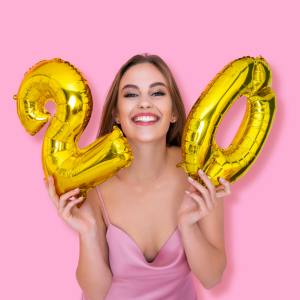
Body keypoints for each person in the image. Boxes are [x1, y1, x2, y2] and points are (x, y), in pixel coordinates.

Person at [44, 53, 231, 300]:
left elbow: (212, 277)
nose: (144, 103)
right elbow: (95, 292)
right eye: (131, 94)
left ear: (173, 112)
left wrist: (188, 226)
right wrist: (87, 232)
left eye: (157, 93)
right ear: (117, 115)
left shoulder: (199, 173)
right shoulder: (95, 181)